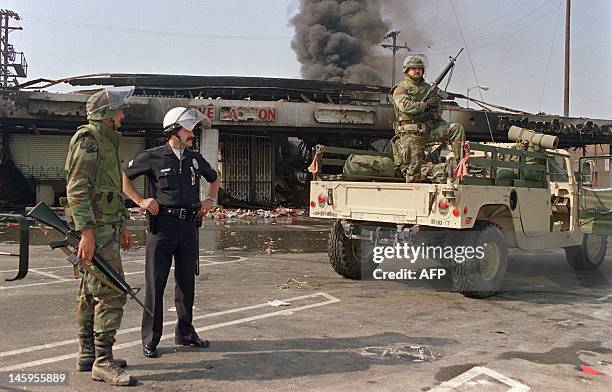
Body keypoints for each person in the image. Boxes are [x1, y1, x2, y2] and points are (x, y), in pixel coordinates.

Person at [122, 107, 221, 358]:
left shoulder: (195, 159)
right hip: (161, 228)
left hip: (189, 227)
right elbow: (124, 176)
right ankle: (150, 339)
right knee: (156, 284)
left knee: (186, 283)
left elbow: (214, 178)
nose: (192, 134)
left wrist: (209, 201)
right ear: (173, 131)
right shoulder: (153, 157)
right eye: (188, 129)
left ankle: (185, 332)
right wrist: (140, 201)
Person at [65, 87, 136, 386]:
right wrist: (88, 233)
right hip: (95, 229)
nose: (123, 115)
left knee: (88, 290)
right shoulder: (90, 139)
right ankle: (103, 361)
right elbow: (77, 189)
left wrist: (122, 223)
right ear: (107, 115)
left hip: (106, 226)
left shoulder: (107, 141)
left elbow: (109, 188)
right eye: (119, 110)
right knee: (112, 290)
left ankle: (88, 353)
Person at [390, 54, 465, 182]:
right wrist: (424, 105)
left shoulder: (428, 88)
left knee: (456, 129)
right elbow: (405, 106)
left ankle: (458, 168)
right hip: (412, 132)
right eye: (413, 68)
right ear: (406, 70)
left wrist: (434, 110)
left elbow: (439, 109)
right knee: (414, 169)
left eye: (419, 68)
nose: (417, 71)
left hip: (429, 129)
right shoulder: (401, 88)